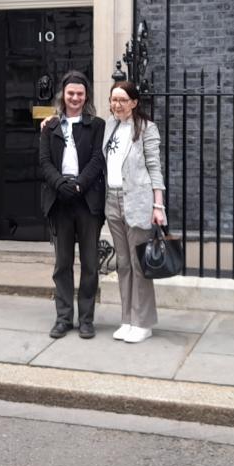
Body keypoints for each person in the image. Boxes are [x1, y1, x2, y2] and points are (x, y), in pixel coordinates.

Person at [39, 70, 105, 339]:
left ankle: (87, 319)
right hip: (60, 200)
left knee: (90, 263)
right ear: (63, 96)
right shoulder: (50, 126)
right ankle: (64, 317)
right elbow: (44, 162)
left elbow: (98, 160)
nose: (75, 98)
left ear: (86, 95)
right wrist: (61, 184)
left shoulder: (97, 124)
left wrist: (79, 184)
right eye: (70, 93)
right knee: (62, 263)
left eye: (80, 93)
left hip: (87, 200)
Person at [102, 81, 166, 343]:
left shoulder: (146, 128)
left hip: (137, 201)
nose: (117, 105)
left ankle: (144, 322)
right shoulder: (109, 125)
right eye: (113, 99)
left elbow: (154, 167)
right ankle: (127, 319)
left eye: (122, 100)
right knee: (123, 264)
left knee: (140, 265)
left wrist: (158, 205)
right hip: (112, 199)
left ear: (134, 102)